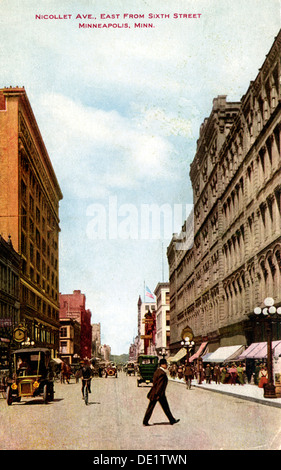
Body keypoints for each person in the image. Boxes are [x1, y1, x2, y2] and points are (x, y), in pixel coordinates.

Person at [143, 358, 180, 426]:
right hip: (158, 394)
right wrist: (158, 394)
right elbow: (160, 385)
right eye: (166, 364)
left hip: (156, 392)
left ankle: (172, 420)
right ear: (163, 365)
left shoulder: (157, 371)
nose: (166, 366)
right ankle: (145, 421)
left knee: (158, 407)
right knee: (155, 407)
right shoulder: (162, 373)